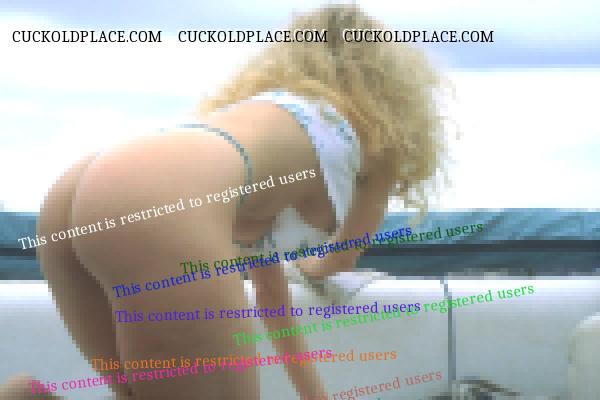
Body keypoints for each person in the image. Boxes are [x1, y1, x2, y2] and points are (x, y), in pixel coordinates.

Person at [1, 4, 447, 399]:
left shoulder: (261, 123)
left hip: (79, 193)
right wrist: (308, 266)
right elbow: (340, 259)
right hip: (159, 197)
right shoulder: (377, 143)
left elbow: (271, 298)